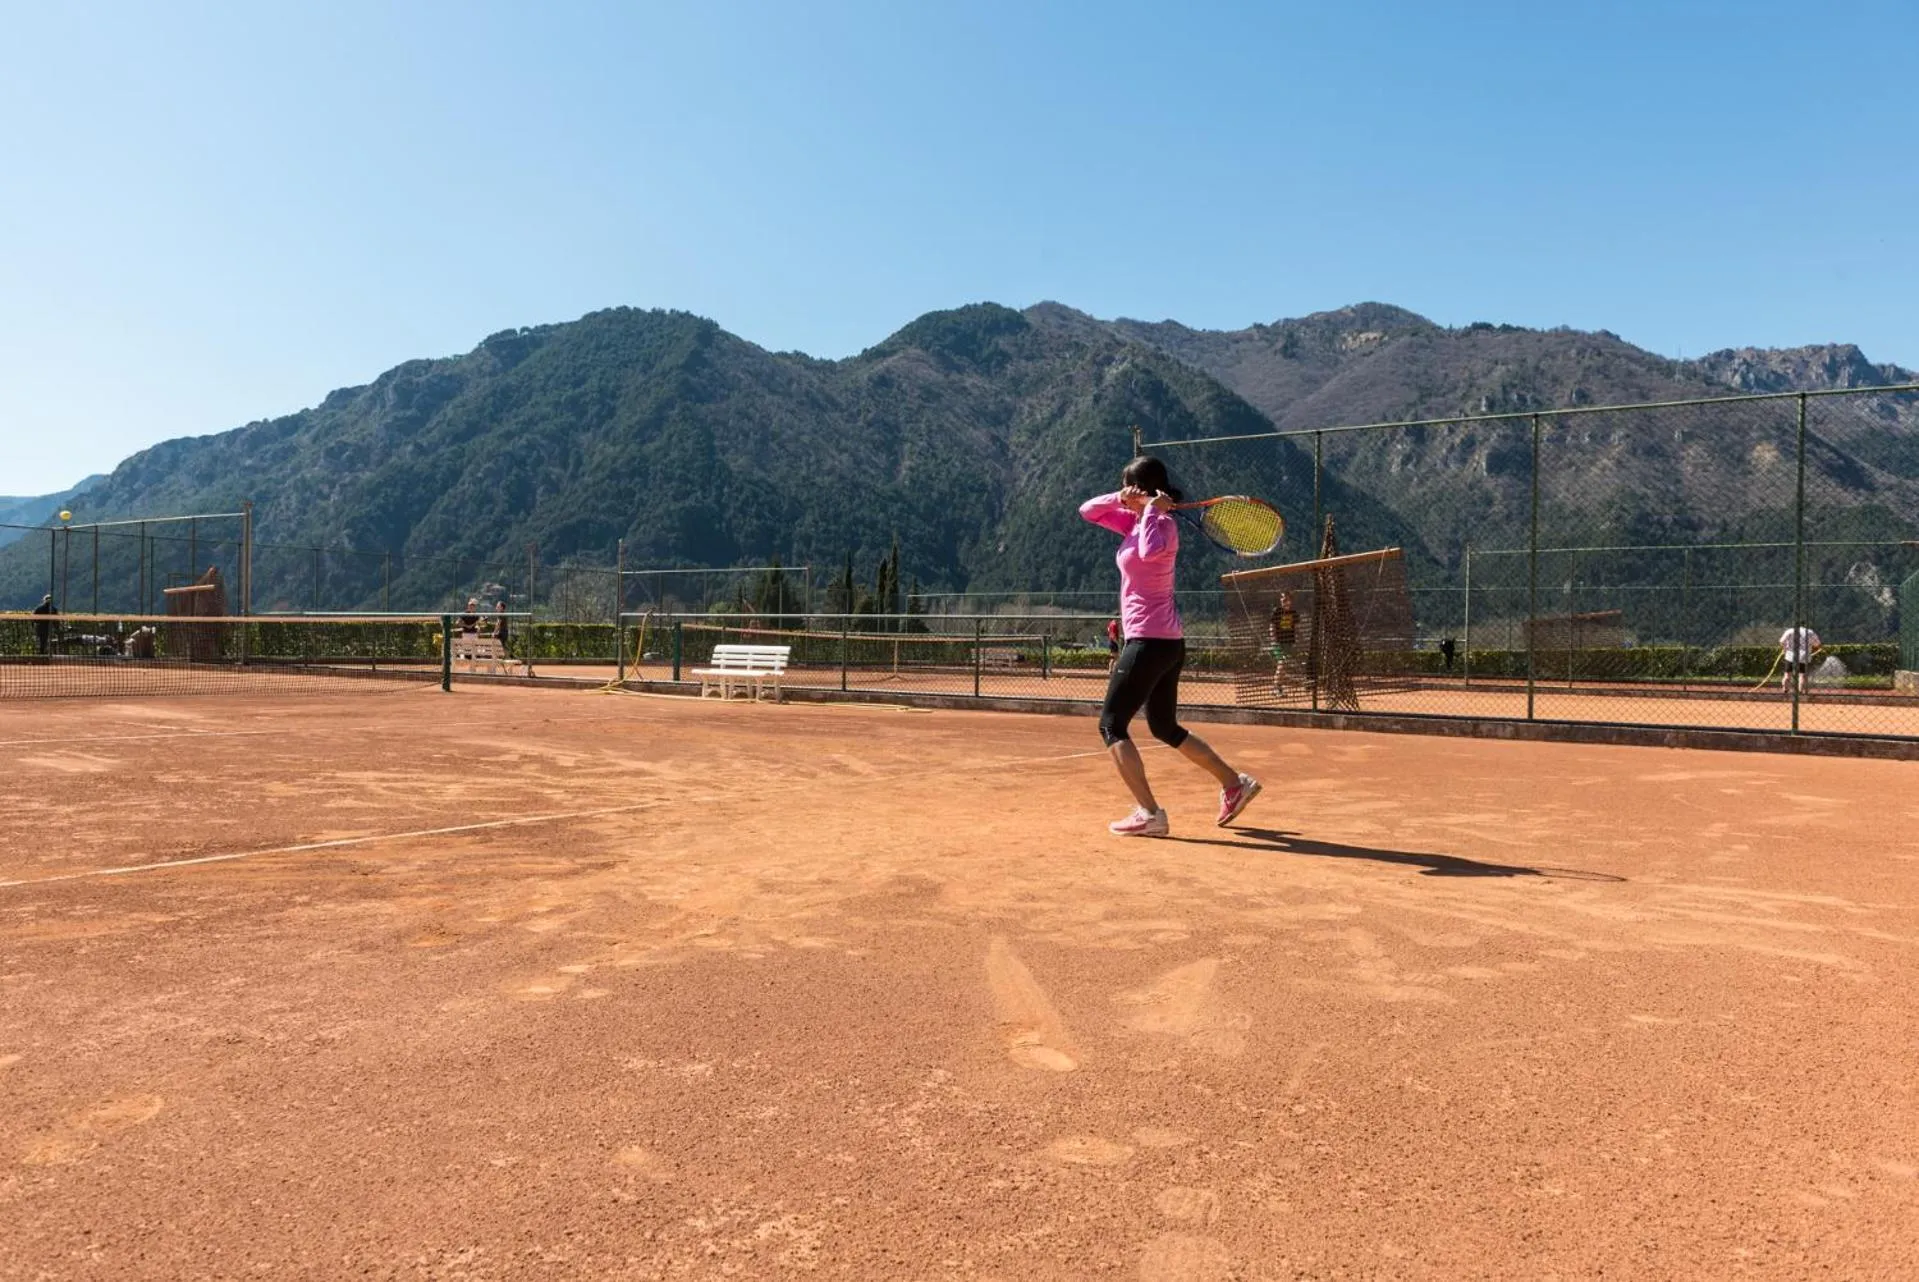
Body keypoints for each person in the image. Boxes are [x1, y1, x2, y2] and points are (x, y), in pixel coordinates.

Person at [1080, 456, 1261, 837]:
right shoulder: (1133, 520)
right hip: (1164, 642)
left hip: (1149, 641)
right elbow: (1087, 511)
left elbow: (1149, 553)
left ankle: (1150, 814)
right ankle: (1234, 783)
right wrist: (1125, 499)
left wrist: (1150, 511)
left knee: (1111, 726)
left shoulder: (1161, 527)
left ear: (1145, 491)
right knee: (1163, 725)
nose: (1125, 497)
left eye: (1130, 488)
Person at [1779, 623, 1822, 696]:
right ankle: (1800, 692)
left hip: (1790, 656)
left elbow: (1781, 641)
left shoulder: (1790, 631)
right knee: (1802, 675)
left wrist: (1785, 649)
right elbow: (1817, 644)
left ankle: (1785, 690)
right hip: (1803, 657)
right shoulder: (1810, 632)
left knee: (1787, 675)